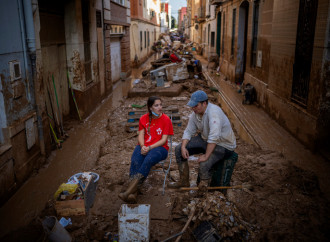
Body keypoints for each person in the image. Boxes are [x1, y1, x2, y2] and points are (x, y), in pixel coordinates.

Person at [168, 90, 236, 189]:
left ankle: (203, 189)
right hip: (206, 139)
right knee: (178, 149)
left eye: (196, 106)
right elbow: (188, 131)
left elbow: (214, 137)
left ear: (204, 103)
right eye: (192, 106)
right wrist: (183, 147)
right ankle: (183, 181)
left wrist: (206, 156)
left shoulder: (214, 113)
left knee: (204, 164)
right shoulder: (195, 114)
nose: (193, 108)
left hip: (223, 144)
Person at [119, 96, 174, 203]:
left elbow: (163, 140)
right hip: (144, 146)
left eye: (160, 105)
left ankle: (128, 192)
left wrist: (149, 148)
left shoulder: (166, 120)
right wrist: (143, 145)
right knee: (135, 160)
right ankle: (133, 193)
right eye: (156, 105)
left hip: (160, 149)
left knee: (148, 160)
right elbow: (140, 135)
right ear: (150, 107)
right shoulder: (143, 118)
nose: (160, 107)